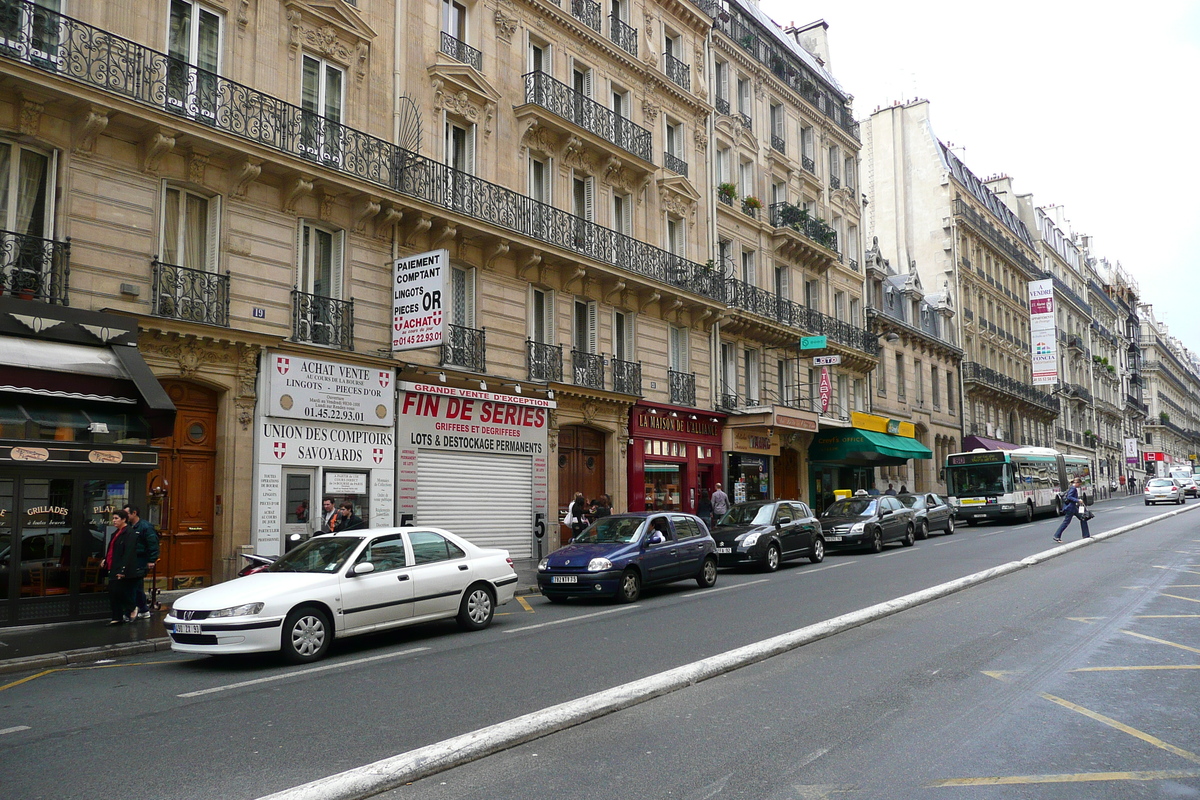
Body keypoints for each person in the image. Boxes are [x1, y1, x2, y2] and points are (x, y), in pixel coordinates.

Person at [105, 510, 139, 625]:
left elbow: (128, 553)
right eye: (113, 518)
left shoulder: (129, 533)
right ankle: (116, 617)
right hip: (113, 565)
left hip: (123, 568)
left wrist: (122, 570)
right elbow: (111, 550)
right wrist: (106, 560)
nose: (113, 520)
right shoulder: (115, 533)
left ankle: (132, 607)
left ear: (123, 519)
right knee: (113, 592)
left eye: (116, 518)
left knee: (119, 590)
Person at [123, 505, 158, 617]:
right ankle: (142, 609)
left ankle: (137, 609)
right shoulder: (128, 526)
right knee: (135, 585)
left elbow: (153, 543)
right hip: (131, 559)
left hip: (140, 559)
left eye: (127, 514)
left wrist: (152, 560)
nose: (125, 516)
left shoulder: (145, 527)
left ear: (134, 513)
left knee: (136, 584)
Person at [1053, 477, 1090, 543]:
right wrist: (1078, 500)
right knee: (1066, 522)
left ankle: (1086, 535)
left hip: (1073, 507)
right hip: (1070, 508)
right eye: (1079, 484)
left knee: (1083, 518)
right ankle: (1057, 535)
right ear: (1077, 483)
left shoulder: (1071, 487)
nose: (1079, 486)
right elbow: (1069, 497)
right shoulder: (1073, 488)